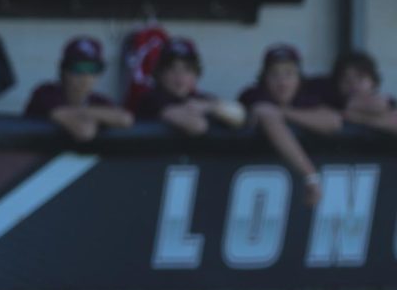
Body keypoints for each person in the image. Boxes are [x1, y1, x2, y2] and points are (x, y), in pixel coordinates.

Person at [237, 43, 340, 207]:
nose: (282, 81)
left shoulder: (304, 97)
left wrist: (284, 112)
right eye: (274, 74)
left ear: (299, 77)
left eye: (289, 74)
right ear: (264, 78)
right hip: (256, 193)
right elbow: (266, 115)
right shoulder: (253, 95)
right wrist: (311, 177)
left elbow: (333, 121)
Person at [23, 36, 133, 141]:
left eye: (92, 69)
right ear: (63, 70)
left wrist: (80, 112)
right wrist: (98, 116)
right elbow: (85, 132)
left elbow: (125, 119)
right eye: (78, 68)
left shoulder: (97, 100)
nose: (85, 76)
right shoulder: (45, 93)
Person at [136, 37, 246, 134]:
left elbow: (239, 117)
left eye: (187, 70)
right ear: (160, 73)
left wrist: (207, 107)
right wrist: (208, 109)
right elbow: (196, 126)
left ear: (196, 74)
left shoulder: (200, 98)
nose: (180, 77)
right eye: (172, 69)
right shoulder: (151, 99)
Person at [308, 50, 397, 136]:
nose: (353, 84)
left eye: (360, 77)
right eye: (345, 79)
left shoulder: (385, 103)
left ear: (373, 81)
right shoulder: (331, 103)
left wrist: (359, 118)